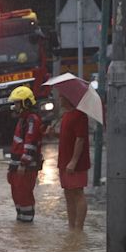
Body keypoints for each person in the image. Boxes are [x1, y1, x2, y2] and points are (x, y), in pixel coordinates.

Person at [48, 95, 90, 231]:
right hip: (64, 161)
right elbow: (67, 136)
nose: (59, 99)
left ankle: (79, 228)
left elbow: (80, 139)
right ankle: (71, 226)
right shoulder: (66, 115)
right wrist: (54, 134)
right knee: (68, 193)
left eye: (61, 97)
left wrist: (73, 161)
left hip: (75, 163)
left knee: (77, 192)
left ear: (68, 98)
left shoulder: (80, 115)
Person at [7, 86, 44, 222]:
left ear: (25, 103)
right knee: (18, 196)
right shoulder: (24, 119)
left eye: (17, 103)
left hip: (25, 168)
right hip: (17, 167)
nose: (15, 106)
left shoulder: (31, 120)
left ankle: (26, 225)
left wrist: (23, 163)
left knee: (24, 197)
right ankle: (22, 233)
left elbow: (30, 143)